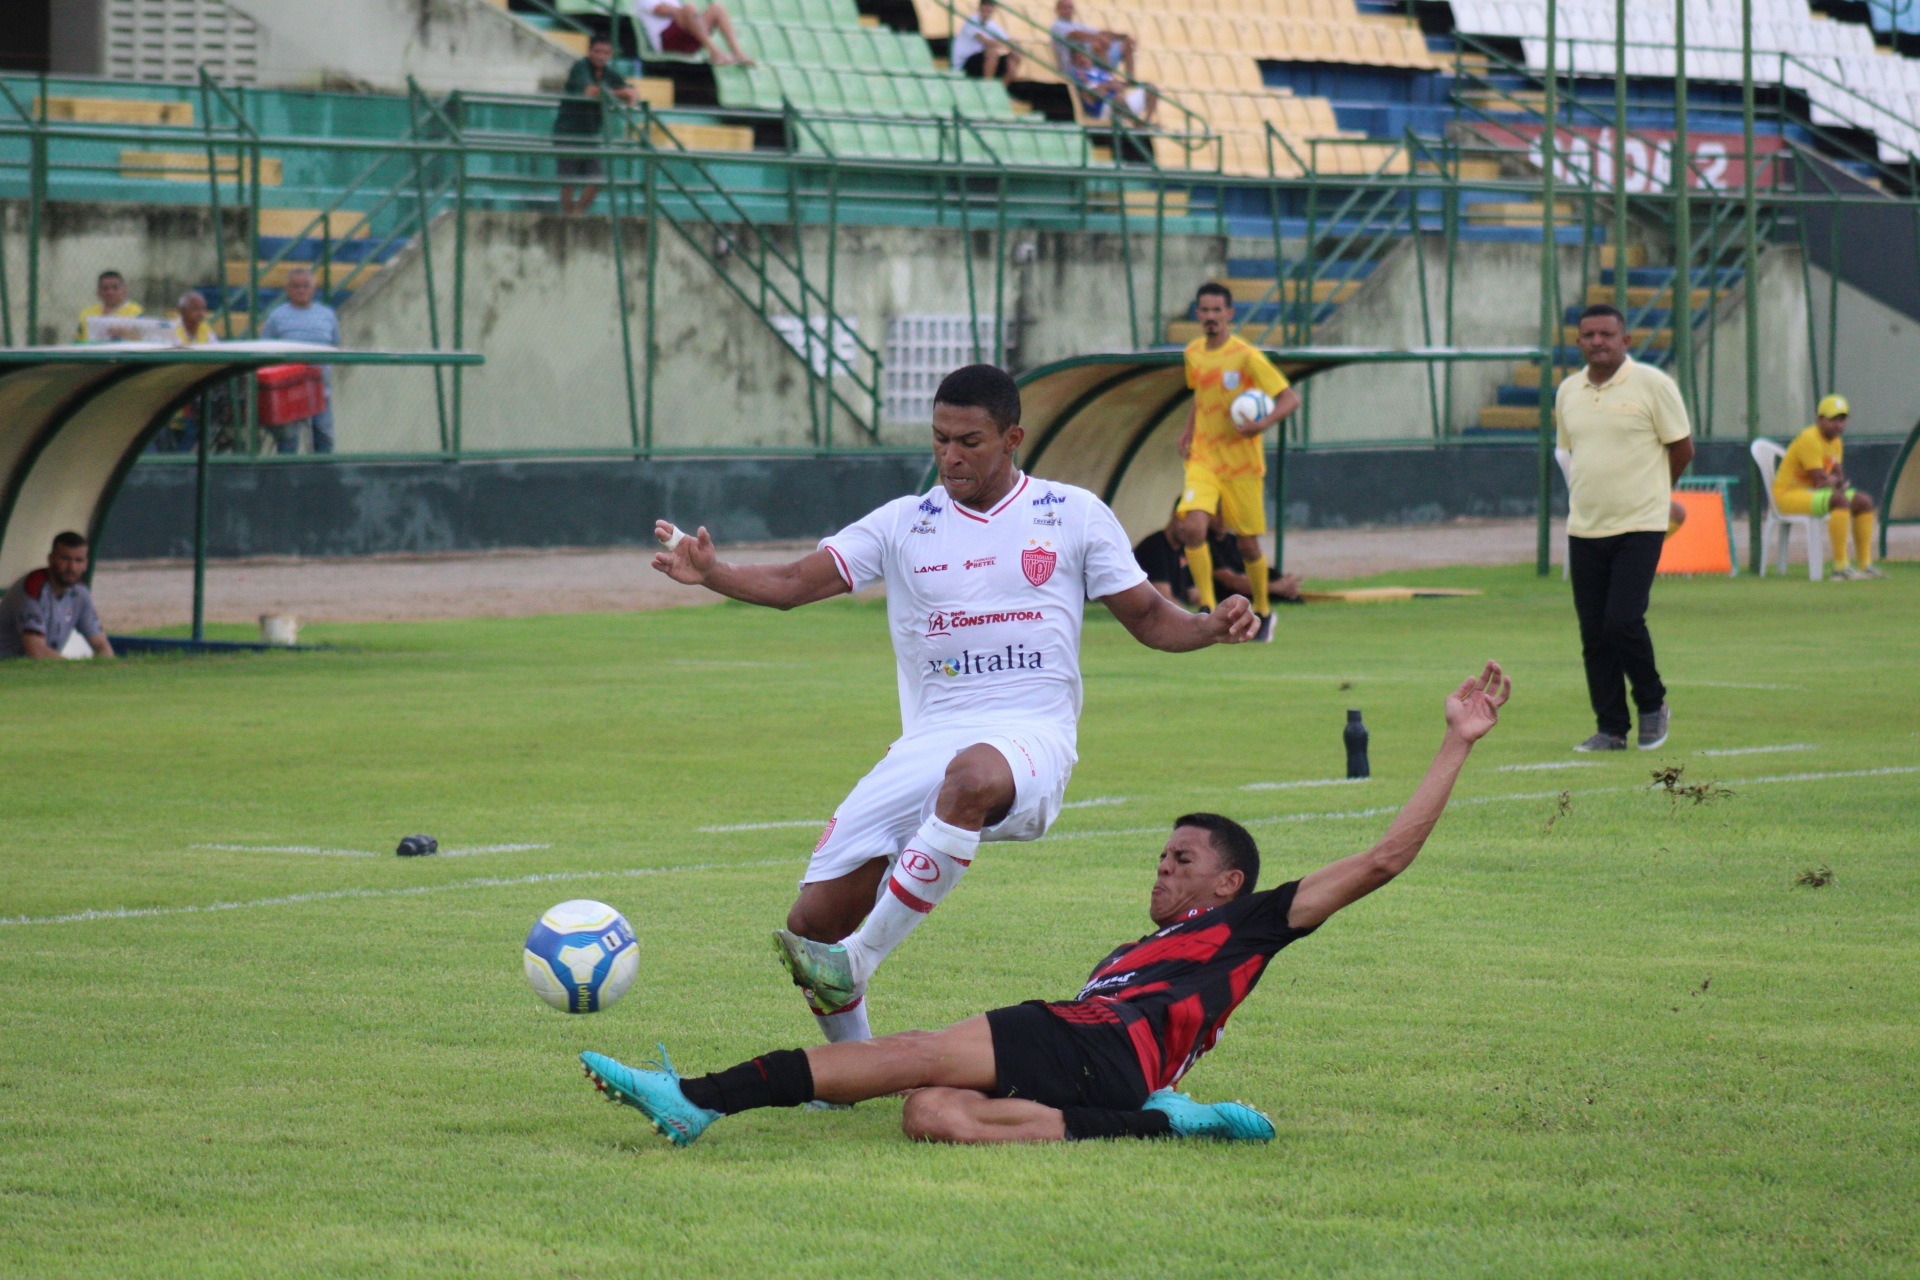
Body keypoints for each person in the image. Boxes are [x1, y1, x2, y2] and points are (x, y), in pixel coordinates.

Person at [580, 662, 1512, 1147]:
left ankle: (697, 1100)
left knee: (907, 1056)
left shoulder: (1251, 924)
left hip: (1098, 1040)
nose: (1163, 869)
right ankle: (1162, 1123)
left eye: (1182, 859)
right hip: (1109, 1062)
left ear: (1230, 883)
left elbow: (1386, 858)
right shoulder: (1134, 949)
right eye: (1161, 854)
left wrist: (1457, 744)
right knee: (930, 1112)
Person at [649, 364, 1258, 1045]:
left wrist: (1209, 624)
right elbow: (794, 582)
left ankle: (862, 959)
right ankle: (855, 1067)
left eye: (969, 440)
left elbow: (1147, 616)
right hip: (929, 741)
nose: (950, 455)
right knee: (811, 925)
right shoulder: (904, 523)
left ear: (1012, 438)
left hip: (1032, 735)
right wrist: (713, 573)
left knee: (969, 778)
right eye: (939, 440)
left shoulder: (1072, 513)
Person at [1554, 304, 1693, 752]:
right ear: (1578, 342)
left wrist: (1656, 491)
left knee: (1622, 620)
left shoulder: (1654, 384)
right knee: (1593, 633)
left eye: (1607, 335)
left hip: (1640, 524)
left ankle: (1652, 703)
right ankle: (1611, 728)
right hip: (1585, 527)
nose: (1597, 342)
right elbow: (1570, 454)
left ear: (1625, 340)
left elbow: (1683, 448)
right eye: (1588, 335)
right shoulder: (1568, 392)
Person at [1177, 282, 1299, 642]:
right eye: (1205, 310)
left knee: (1247, 545)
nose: (1211, 317)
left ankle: (1262, 609)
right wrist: (1188, 431)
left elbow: (1289, 398)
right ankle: (1209, 612)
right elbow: (1200, 398)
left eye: (1217, 311)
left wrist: (1262, 423)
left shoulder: (1247, 356)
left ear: (1230, 314)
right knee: (1193, 528)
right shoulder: (1193, 352)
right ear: (1197, 314)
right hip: (1203, 458)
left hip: (1242, 465)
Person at [1773, 394, 1882, 580]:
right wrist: (1832, 481)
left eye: (1842, 420)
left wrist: (1833, 481)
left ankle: (1865, 565)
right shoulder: (1810, 438)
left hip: (1813, 494)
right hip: (1788, 495)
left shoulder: (1836, 441)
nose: (1839, 425)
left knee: (1864, 501)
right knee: (1839, 499)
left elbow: (1837, 478)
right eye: (1833, 420)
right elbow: (1819, 481)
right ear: (1819, 419)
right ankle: (1840, 568)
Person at [1134, 509, 1300, 608]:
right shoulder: (1155, 548)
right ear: (1175, 517)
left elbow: (1194, 594)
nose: (1192, 529)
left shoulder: (1189, 548)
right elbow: (1163, 597)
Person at [553, 35, 640, 216]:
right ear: (589, 51)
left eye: (606, 52)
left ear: (611, 54)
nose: (601, 56)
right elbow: (589, 91)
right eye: (597, 51)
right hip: (568, 133)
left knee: (597, 180)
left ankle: (576, 215)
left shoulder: (609, 73)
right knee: (568, 181)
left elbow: (631, 92)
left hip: (590, 135)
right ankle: (566, 216)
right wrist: (620, 93)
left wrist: (628, 94)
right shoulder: (581, 67)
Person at [259, 268, 340, 454]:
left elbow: (335, 344)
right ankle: (286, 478)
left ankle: (323, 477)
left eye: (305, 286)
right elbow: (265, 349)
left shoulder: (327, 315)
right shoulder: (276, 317)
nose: (301, 290)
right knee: (288, 441)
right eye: (295, 286)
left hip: (321, 391)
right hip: (288, 392)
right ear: (287, 289)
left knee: (324, 437)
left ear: (313, 289)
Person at [0, 532, 114, 661]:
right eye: (65, 559)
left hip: (38, 672)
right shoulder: (32, 587)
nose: (72, 567)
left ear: (86, 564)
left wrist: (107, 668)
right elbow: (37, 651)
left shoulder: (81, 593)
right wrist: (77, 671)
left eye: (79, 560)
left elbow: (101, 644)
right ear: (51, 558)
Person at [152, 291, 219, 453]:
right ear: (182, 311)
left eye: (203, 309)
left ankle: (179, 457)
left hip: (196, 390)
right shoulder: (169, 330)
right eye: (196, 309)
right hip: (170, 388)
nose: (201, 314)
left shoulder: (206, 330)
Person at [633, 0, 753, 66]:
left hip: (686, 36)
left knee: (717, 8)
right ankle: (715, 52)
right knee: (689, 8)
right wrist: (683, 13)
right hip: (666, 40)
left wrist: (682, 13)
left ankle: (738, 53)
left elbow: (676, 12)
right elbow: (661, 10)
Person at [1050, 0, 1134, 80]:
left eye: (1070, 7)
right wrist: (1100, 39)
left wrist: (1122, 36)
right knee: (1097, 46)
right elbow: (1076, 35)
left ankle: (1129, 79)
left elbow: (1099, 33)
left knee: (1126, 44)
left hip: (1092, 60)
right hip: (1073, 66)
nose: (1068, 10)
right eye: (1064, 8)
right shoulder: (1057, 26)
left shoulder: (1077, 25)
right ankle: (1108, 79)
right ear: (1057, 10)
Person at [1068, 49, 1156, 125]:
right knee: (1116, 99)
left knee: (1151, 88)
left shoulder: (1100, 71)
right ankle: (1136, 122)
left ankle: (1146, 120)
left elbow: (1116, 85)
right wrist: (1108, 86)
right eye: (1078, 57)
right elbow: (1090, 95)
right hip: (1102, 108)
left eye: (1084, 55)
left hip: (1121, 105)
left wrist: (1118, 86)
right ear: (1073, 61)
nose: (1083, 59)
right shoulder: (1079, 74)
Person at [952, 0, 1020, 83]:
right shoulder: (972, 20)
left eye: (990, 6)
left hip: (981, 61)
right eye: (985, 5)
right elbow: (985, 41)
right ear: (980, 7)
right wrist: (1006, 45)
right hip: (965, 63)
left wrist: (1013, 45)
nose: (987, 9)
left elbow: (1008, 40)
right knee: (992, 52)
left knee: (1015, 54)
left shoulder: (991, 24)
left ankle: (1003, 88)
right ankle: (988, 86)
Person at [74, 270, 143, 343]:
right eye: (105, 288)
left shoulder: (135, 311)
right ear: (98, 292)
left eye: (115, 288)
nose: (110, 292)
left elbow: (141, 339)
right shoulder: (87, 314)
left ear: (124, 290)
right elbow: (79, 341)